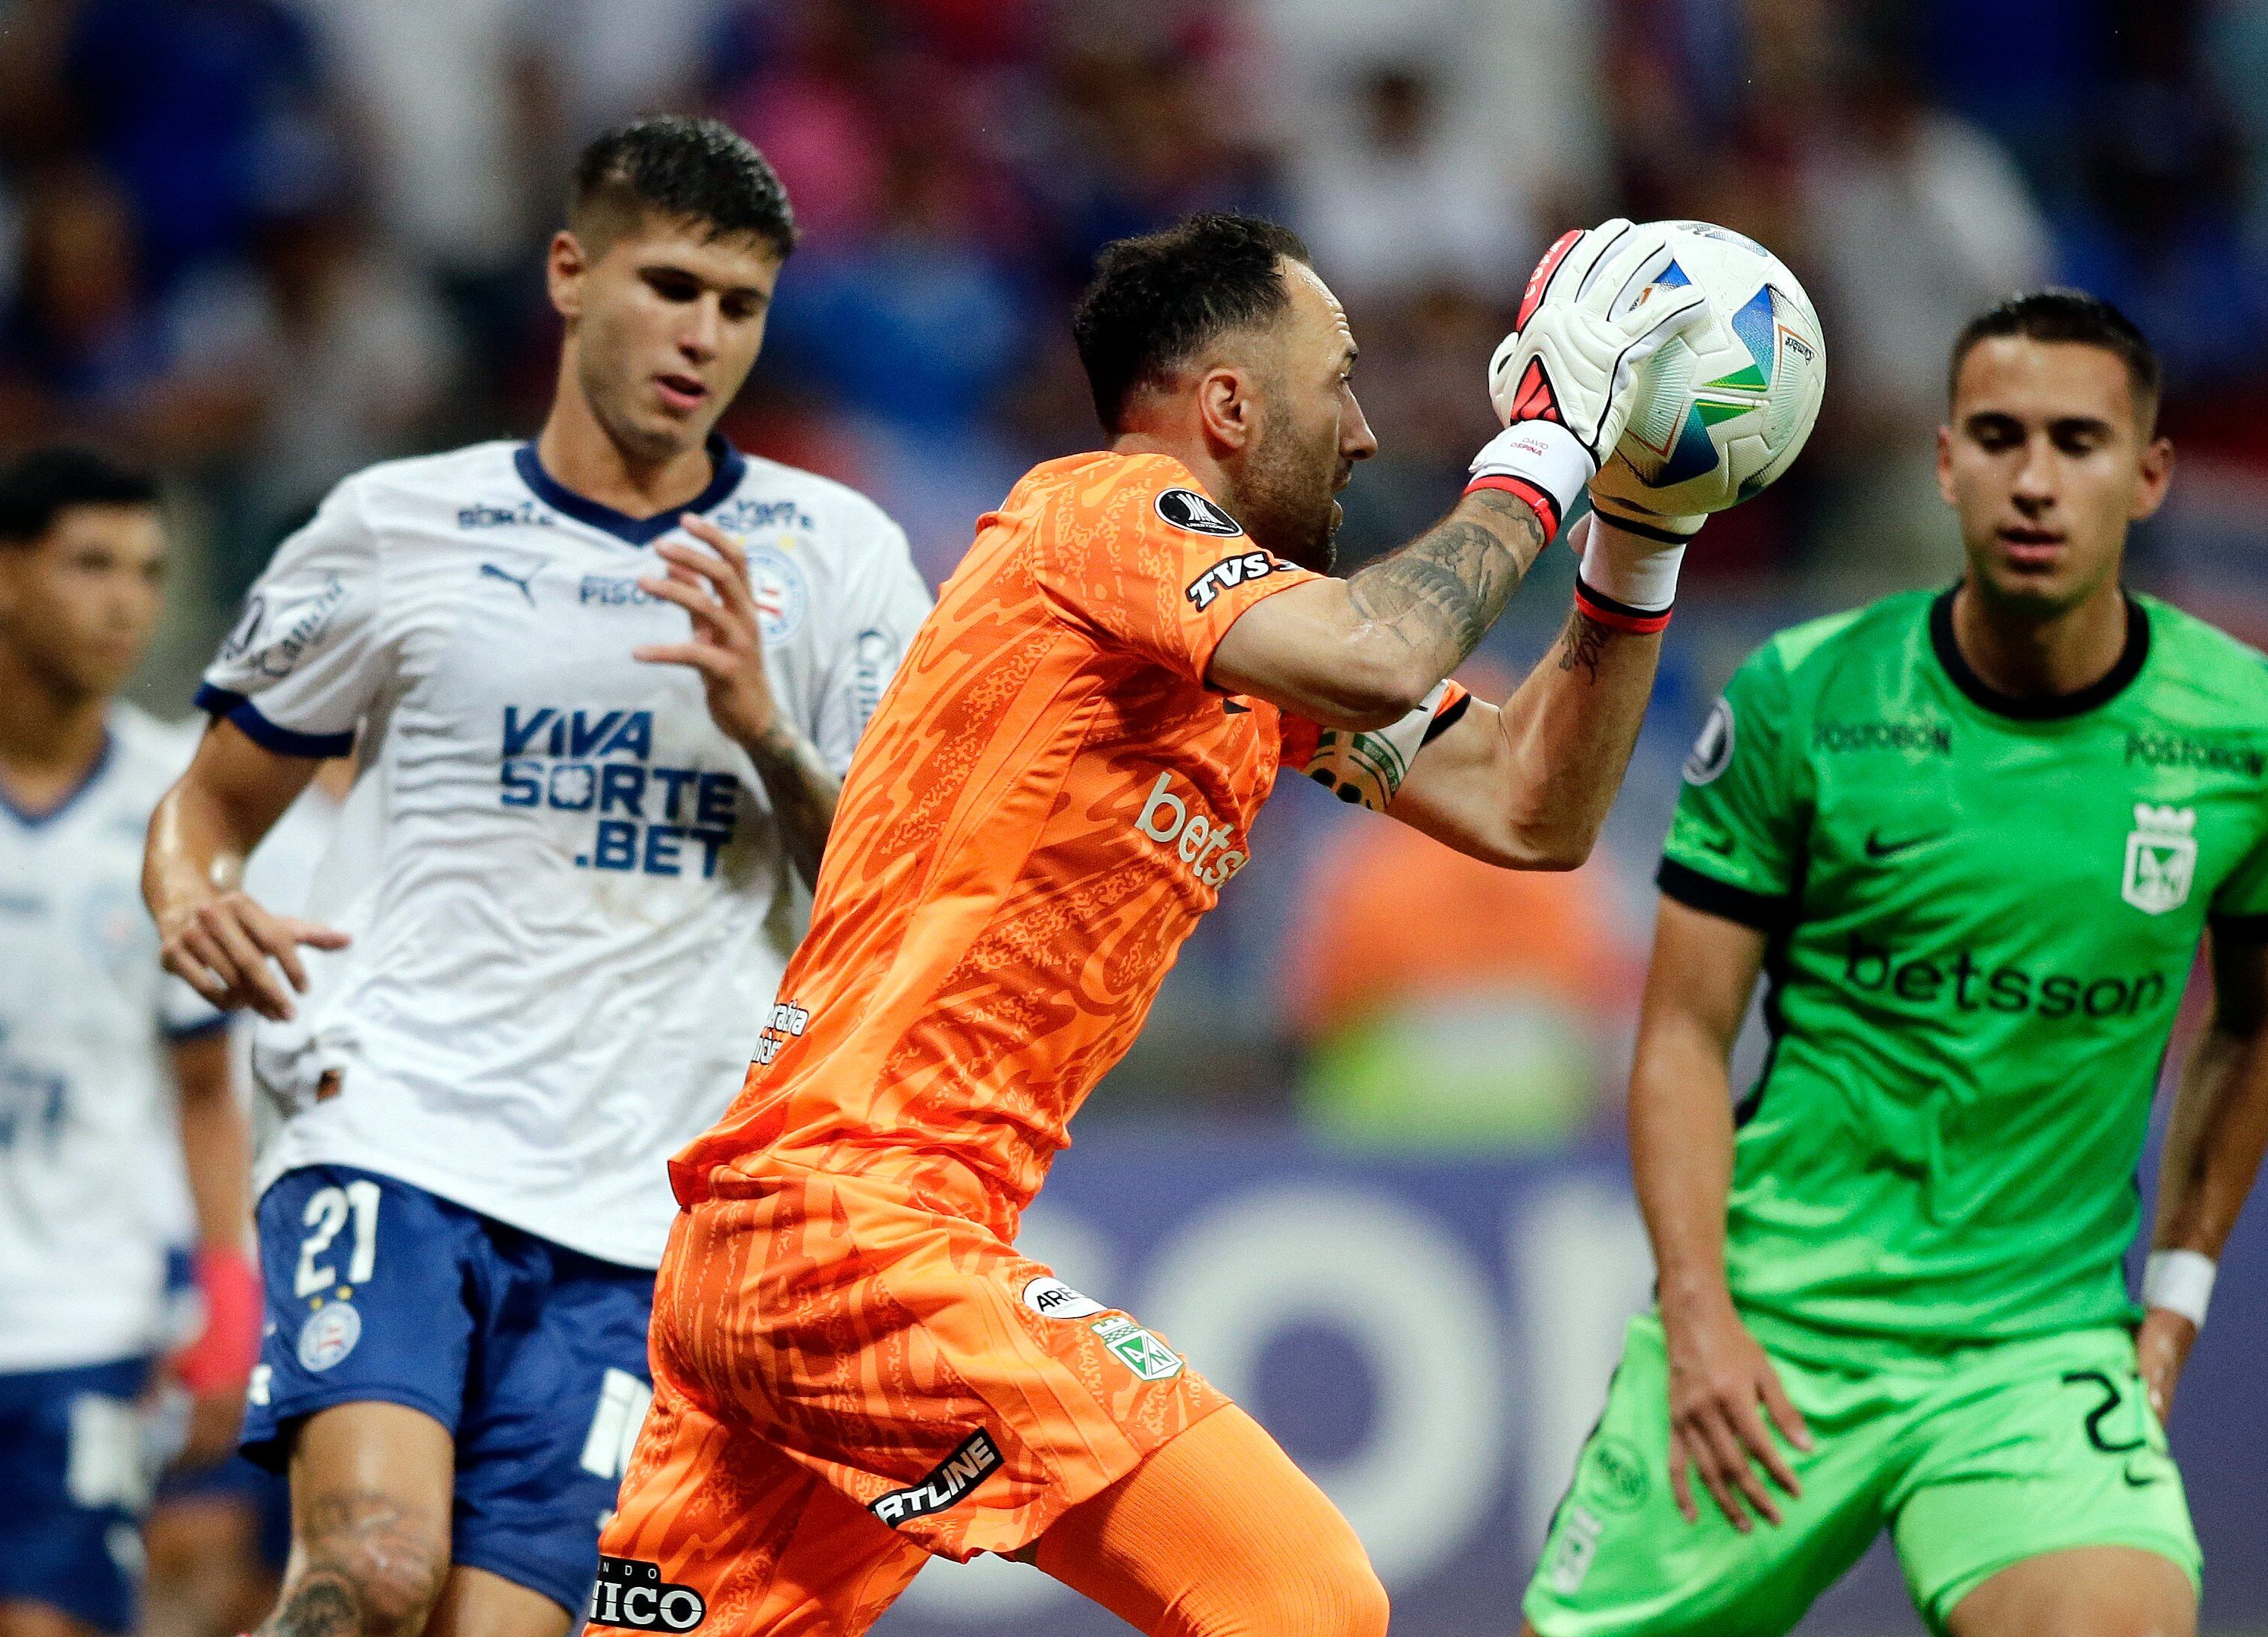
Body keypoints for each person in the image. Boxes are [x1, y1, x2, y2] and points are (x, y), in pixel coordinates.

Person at [590, 211, 1718, 1637]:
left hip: (786, 1251)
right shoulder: (1107, 516)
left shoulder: (1243, 663)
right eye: (1340, 382)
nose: (1366, 433)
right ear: (1231, 407)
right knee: (1298, 1600)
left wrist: (1642, 535)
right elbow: (1381, 654)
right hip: (851, 1233)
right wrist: (1546, 444)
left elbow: (1529, 807)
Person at [141, 116, 931, 1637]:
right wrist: (188, 893)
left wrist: (766, 734)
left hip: (646, 1206)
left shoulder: (835, 558)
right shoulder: (396, 527)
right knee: (371, 1575)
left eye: (741, 306)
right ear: (571, 273)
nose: (704, 337)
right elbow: (210, 804)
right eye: (671, 287)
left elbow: (888, 900)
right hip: (395, 1130)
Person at [1522, 290, 2268, 1637]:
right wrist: (1700, 1313)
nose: (2035, 481)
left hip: (2034, 1348)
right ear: (1947, 463)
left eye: (2078, 442)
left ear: (2149, 476)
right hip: (1772, 1328)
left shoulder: (2255, 735)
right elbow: (1682, 1035)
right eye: (2000, 438)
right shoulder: (1804, 696)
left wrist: (2176, 1302)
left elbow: (2257, 1026)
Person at [0, 447, 261, 1637]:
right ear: (0, 576)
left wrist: (230, 1296)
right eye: (90, 564)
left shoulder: (175, 813)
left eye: (148, 572)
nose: (125, 603)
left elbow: (205, 1089)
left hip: (79, 1331)